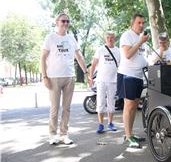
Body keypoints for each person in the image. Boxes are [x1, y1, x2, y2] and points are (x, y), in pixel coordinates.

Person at [40, 13, 87, 145]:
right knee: (55, 108)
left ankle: (64, 134)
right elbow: (43, 58)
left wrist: (86, 71)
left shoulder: (71, 38)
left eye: (67, 21)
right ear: (57, 22)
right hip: (53, 77)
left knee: (67, 108)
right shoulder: (50, 38)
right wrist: (44, 77)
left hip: (69, 77)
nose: (65, 23)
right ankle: (52, 134)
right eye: (63, 21)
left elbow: (79, 56)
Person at [117, 14, 149, 148]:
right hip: (127, 75)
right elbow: (128, 55)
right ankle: (128, 136)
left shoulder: (140, 38)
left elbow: (142, 56)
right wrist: (140, 42)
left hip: (139, 76)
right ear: (132, 23)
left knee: (135, 106)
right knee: (128, 105)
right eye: (139, 23)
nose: (141, 25)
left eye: (143, 23)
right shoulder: (127, 35)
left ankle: (130, 134)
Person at [89, 32, 120, 134]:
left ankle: (110, 123)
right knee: (101, 102)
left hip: (113, 81)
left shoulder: (118, 51)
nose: (110, 39)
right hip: (101, 81)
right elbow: (93, 65)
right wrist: (90, 78)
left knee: (111, 103)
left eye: (112, 37)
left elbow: (121, 66)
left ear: (114, 39)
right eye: (108, 38)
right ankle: (101, 124)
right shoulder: (100, 50)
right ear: (105, 39)